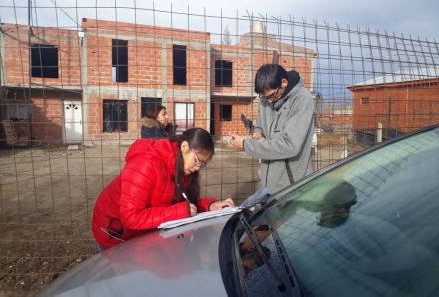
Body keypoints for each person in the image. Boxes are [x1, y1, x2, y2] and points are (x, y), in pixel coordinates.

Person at [92, 127, 234, 249]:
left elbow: (182, 202)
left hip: (142, 235)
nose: (198, 168)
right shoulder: (145, 164)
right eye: (197, 161)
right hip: (115, 233)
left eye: (202, 164)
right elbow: (130, 217)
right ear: (184, 147)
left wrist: (210, 206)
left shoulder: (181, 167)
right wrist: (179, 211)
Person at [231, 63, 314, 198]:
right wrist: (259, 133)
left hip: (292, 186)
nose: (268, 102)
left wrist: (247, 145)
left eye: (272, 96)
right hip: (268, 183)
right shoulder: (266, 100)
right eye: (264, 97)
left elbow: (290, 145)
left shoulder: (302, 99)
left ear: (284, 83)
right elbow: (260, 125)